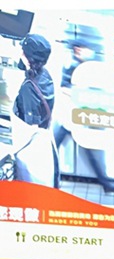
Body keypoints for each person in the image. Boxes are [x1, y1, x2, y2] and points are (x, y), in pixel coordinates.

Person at [53, 38, 114, 194]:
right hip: (73, 115)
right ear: (77, 50)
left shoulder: (88, 67)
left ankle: (105, 183)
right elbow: (64, 88)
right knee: (55, 146)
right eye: (84, 49)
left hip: (81, 115)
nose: (88, 52)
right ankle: (105, 183)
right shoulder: (72, 67)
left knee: (87, 149)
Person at [11, 33, 58, 187]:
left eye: (22, 50)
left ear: (27, 56)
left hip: (31, 155)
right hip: (44, 149)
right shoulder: (45, 75)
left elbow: (29, 127)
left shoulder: (28, 87)